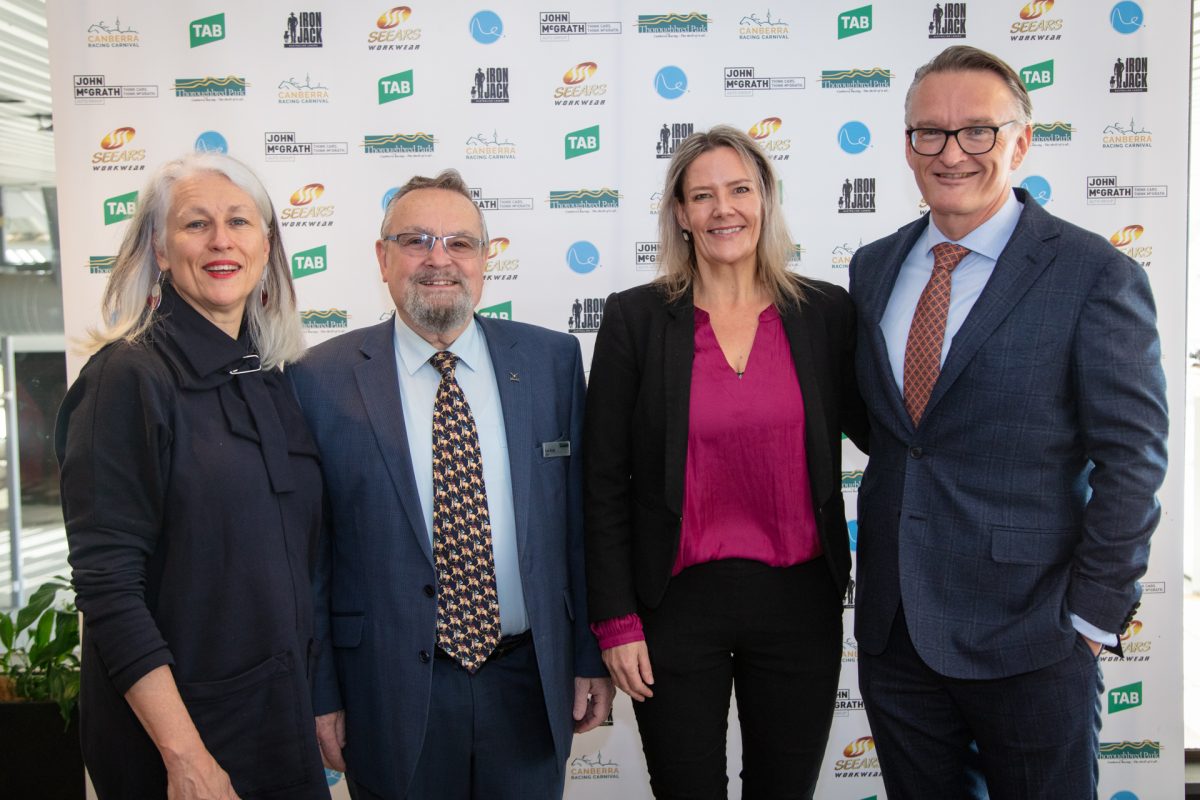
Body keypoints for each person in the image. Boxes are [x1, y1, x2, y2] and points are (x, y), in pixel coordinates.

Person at [848, 45, 1168, 799]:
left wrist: (1089, 619)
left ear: (1021, 142)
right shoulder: (873, 267)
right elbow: (895, 431)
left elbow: (1134, 460)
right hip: (896, 632)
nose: (951, 152)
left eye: (977, 132)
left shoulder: (1095, 274)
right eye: (931, 132)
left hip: (1034, 633)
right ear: (907, 146)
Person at [289, 169, 613, 800]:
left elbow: (579, 525)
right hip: (386, 691)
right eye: (416, 241)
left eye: (459, 243)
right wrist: (322, 691)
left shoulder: (551, 362)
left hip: (527, 680)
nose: (439, 259)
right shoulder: (319, 380)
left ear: (486, 259)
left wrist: (586, 655)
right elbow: (310, 558)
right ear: (382, 259)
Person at [584, 125, 868, 799]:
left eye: (740, 189)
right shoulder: (637, 320)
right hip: (673, 607)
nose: (723, 209)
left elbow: (888, 428)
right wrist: (615, 619)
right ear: (680, 214)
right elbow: (601, 483)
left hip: (801, 602)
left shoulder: (827, 312)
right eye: (702, 196)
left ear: (765, 199)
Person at [56, 152, 328, 799]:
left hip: (275, 726)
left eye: (240, 221)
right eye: (195, 224)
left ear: (267, 245)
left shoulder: (270, 376)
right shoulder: (126, 378)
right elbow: (109, 590)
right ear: (159, 246)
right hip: (183, 746)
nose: (221, 241)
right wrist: (186, 757)